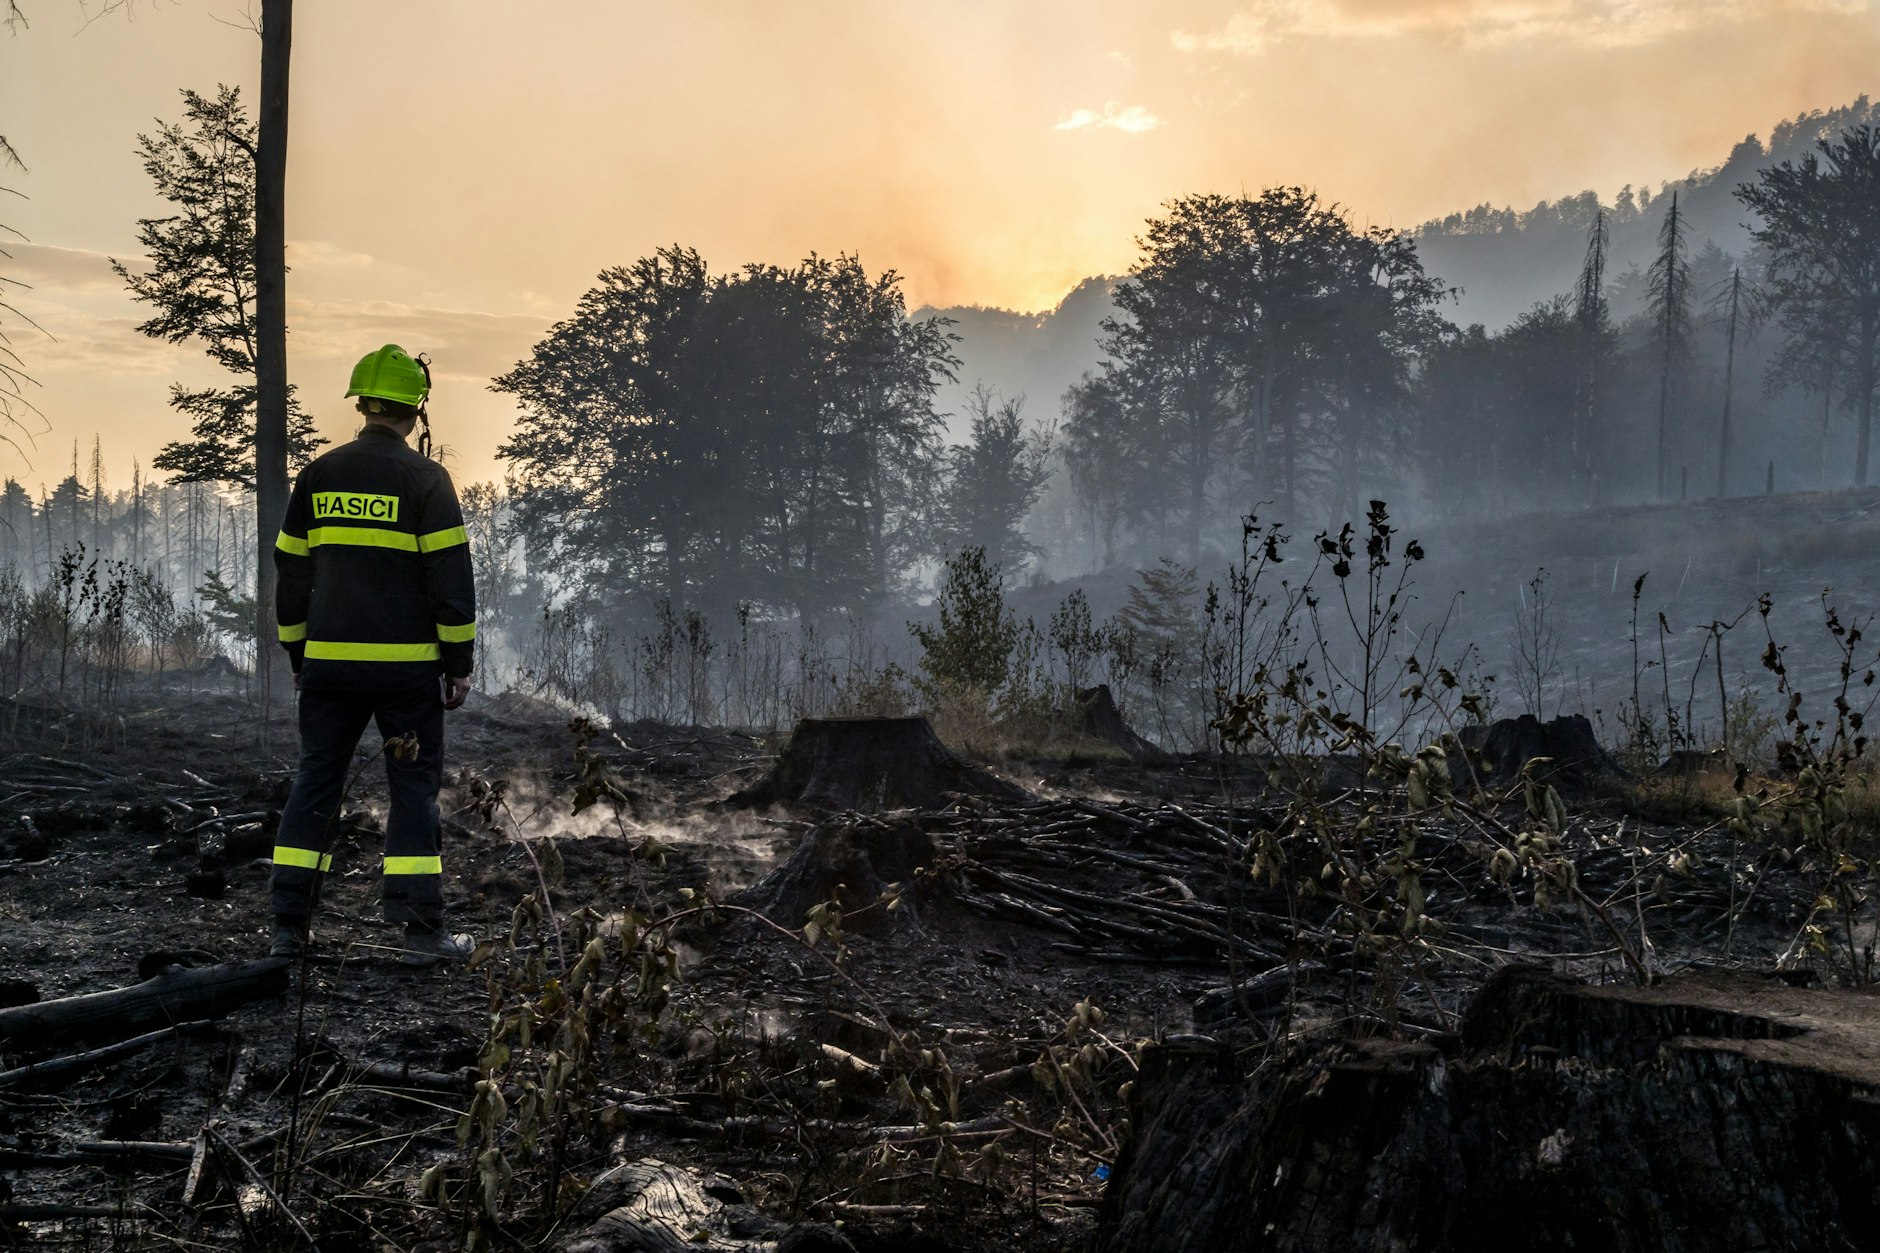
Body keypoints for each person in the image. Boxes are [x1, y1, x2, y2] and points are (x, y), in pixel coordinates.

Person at [267, 344, 477, 967]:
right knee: (412, 791)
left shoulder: (319, 475)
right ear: (416, 412)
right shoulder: (426, 481)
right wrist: (457, 662)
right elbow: (450, 579)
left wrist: (298, 653)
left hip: (328, 668)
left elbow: (291, 573)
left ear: (360, 404)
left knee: (315, 784)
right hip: (406, 672)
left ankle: (288, 928)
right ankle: (420, 933)